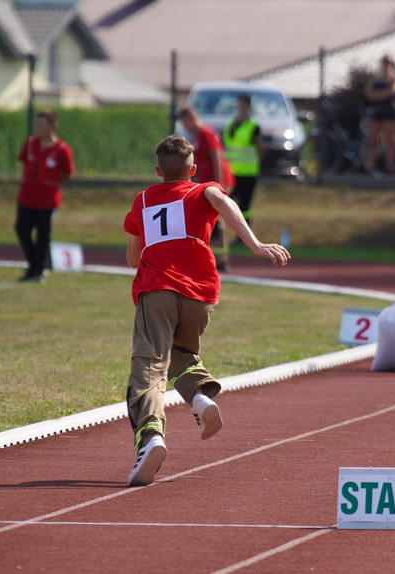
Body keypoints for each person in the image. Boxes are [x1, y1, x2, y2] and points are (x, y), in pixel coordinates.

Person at [122, 134, 290, 486]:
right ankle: (199, 397)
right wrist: (255, 244)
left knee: (150, 365)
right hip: (201, 293)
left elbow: (132, 257)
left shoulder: (143, 200)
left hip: (158, 290)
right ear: (193, 169)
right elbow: (221, 201)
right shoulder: (204, 190)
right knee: (180, 351)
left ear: (158, 171)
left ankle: (150, 435)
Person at [14, 109, 73, 282]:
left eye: (42, 124)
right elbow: (25, 164)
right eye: (37, 123)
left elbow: (67, 173)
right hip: (27, 196)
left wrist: (50, 182)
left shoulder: (62, 149)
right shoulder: (30, 143)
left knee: (43, 234)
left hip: (47, 199)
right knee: (22, 229)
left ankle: (37, 271)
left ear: (52, 126)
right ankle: (35, 265)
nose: (38, 127)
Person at [178, 106, 235, 271]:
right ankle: (214, 257)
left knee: (217, 221)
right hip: (207, 184)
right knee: (211, 221)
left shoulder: (206, 133)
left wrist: (219, 183)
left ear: (191, 119)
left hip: (215, 183)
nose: (184, 127)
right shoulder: (198, 136)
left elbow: (216, 157)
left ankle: (221, 259)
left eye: (184, 122)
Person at [223, 95, 261, 233]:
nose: (241, 108)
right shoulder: (230, 124)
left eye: (244, 105)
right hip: (231, 172)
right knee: (225, 203)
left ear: (249, 108)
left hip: (247, 173)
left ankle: (243, 236)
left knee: (244, 206)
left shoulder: (253, 127)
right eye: (239, 105)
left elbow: (260, 149)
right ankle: (221, 233)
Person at [364, 54, 395, 176]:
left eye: (388, 63)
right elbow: (368, 93)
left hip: (390, 112)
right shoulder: (376, 79)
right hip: (377, 111)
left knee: (389, 141)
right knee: (373, 141)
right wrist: (382, 94)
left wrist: (379, 95)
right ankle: (371, 169)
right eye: (384, 62)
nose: (386, 65)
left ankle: (389, 168)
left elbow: (394, 90)